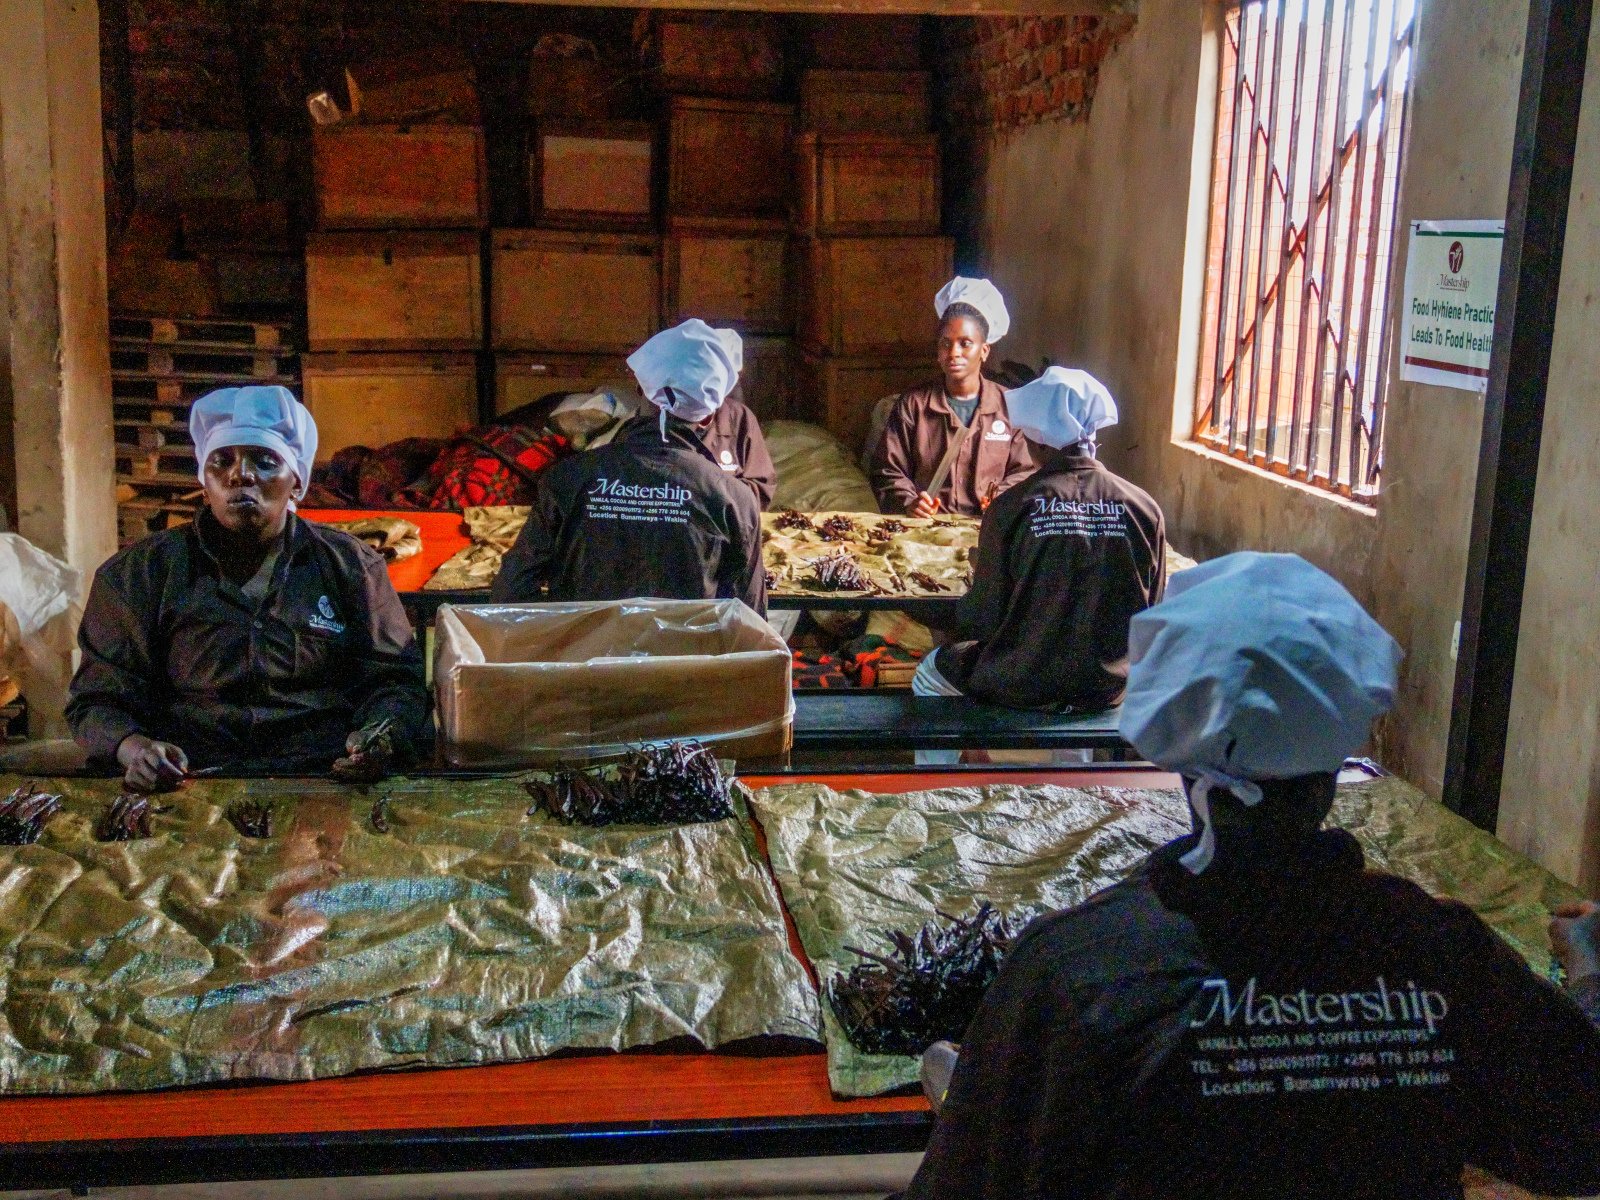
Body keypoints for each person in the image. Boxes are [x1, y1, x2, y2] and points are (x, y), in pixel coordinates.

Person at [901, 553, 1600, 1200]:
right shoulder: (1439, 954)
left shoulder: (1080, 972)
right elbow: (1580, 1140)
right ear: (1336, 751)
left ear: (1176, 744)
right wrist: (1590, 975)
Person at [67, 386, 429, 788]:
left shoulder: (350, 566)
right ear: (205, 482)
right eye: (221, 461)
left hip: (322, 778)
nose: (240, 474)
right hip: (188, 784)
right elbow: (97, 700)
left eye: (265, 461)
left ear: (297, 482)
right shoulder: (139, 574)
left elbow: (395, 681)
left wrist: (380, 735)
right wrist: (135, 749)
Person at [911, 367, 1164, 714]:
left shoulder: (1013, 508)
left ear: (1038, 441)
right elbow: (1153, 611)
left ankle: (971, 750)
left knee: (930, 672)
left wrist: (933, 612)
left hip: (1023, 680)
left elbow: (984, 618)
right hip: (1107, 686)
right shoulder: (1144, 508)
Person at [491, 320, 766, 614]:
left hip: (587, 644)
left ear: (639, 389)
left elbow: (512, 592)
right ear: (708, 417)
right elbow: (749, 618)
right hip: (686, 645)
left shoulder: (568, 478)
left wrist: (565, 632)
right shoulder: (734, 499)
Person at [870, 277, 1037, 517]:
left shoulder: (1011, 406)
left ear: (984, 350)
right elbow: (887, 470)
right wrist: (909, 502)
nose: (953, 353)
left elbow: (1027, 472)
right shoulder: (913, 405)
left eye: (965, 343)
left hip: (987, 528)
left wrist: (1001, 498)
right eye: (945, 344)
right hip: (928, 530)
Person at [702, 385, 777, 511]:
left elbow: (762, 488)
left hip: (724, 519)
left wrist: (711, 490)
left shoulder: (740, 417)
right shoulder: (665, 415)